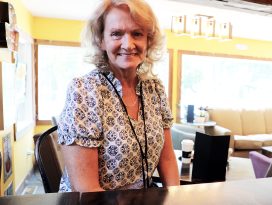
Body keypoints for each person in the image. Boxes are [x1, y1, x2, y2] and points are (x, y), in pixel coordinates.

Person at [57, 0, 180, 192]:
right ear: (101, 40)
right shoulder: (84, 91)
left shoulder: (155, 89)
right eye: (116, 34)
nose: (128, 44)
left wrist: (176, 198)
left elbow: (167, 158)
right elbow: (87, 190)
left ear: (148, 41)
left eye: (137, 34)